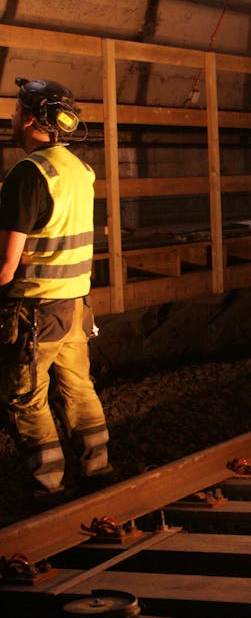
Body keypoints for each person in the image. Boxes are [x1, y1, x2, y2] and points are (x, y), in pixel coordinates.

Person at [0, 76, 111, 505]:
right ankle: (97, 470)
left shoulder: (27, 174)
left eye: (13, 111)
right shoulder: (80, 170)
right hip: (75, 307)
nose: (10, 118)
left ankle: (47, 486)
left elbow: (6, 264)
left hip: (35, 309)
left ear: (29, 119)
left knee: (25, 397)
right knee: (79, 389)